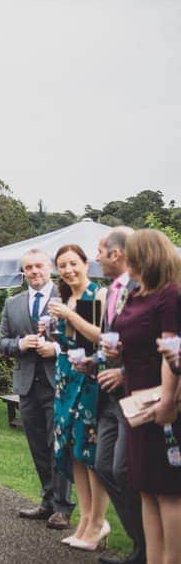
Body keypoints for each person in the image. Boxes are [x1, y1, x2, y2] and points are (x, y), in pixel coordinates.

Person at [112, 229, 181, 564]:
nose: (125, 259)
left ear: (146, 256)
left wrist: (168, 401)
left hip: (162, 401)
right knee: (145, 488)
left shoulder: (171, 295)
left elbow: (173, 348)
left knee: (168, 489)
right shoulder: (138, 294)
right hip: (136, 400)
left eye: (131, 254)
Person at [0, 249, 73, 530]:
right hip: (26, 385)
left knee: (59, 446)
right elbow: (1, 342)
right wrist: (19, 345)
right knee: (38, 445)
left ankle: (63, 508)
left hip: (58, 383)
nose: (34, 272)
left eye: (39, 266)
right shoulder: (12, 303)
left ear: (49, 267)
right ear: (23, 272)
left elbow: (85, 341)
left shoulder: (67, 299)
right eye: (28, 268)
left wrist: (56, 348)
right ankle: (48, 501)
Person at [81, 227, 145, 564]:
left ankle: (149, 547)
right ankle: (141, 543)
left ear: (116, 253)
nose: (97, 258)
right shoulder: (109, 292)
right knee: (104, 465)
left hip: (135, 394)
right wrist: (94, 363)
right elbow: (112, 342)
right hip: (108, 396)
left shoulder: (143, 289)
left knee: (124, 470)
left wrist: (123, 371)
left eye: (100, 252)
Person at [49, 244, 111, 551]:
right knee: (72, 450)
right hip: (65, 379)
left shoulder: (97, 295)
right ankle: (85, 519)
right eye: (62, 265)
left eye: (73, 263)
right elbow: (66, 340)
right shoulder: (65, 299)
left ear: (85, 264)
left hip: (89, 379)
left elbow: (97, 336)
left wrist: (70, 316)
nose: (68, 270)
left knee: (89, 452)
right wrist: (50, 329)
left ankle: (98, 522)